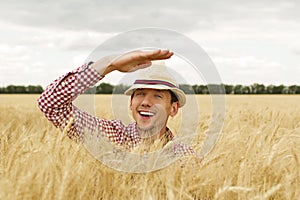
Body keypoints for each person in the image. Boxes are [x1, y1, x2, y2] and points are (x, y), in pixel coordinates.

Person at [38, 49, 197, 158]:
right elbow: (50, 104)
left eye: (157, 96)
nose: (146, 102)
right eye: (140, 94)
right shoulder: (110, 136)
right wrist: (109, 65)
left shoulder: (185, 157)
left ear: (173, 108)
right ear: (131, 103)